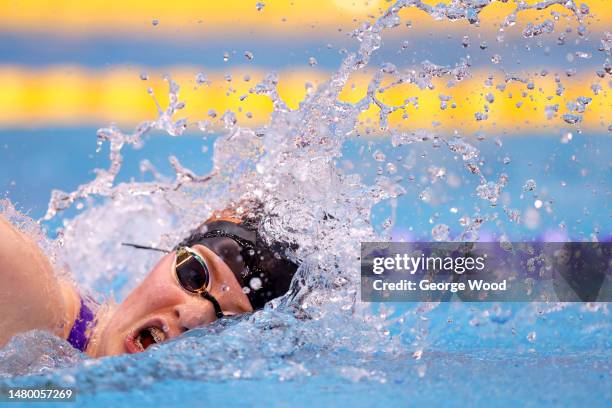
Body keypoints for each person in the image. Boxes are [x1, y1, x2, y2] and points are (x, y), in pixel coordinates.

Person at [0, 206, 298, 357]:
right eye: (193, 274)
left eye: (228, 322)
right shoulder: (27, 295)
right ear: (166, 256)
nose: (193, 317)